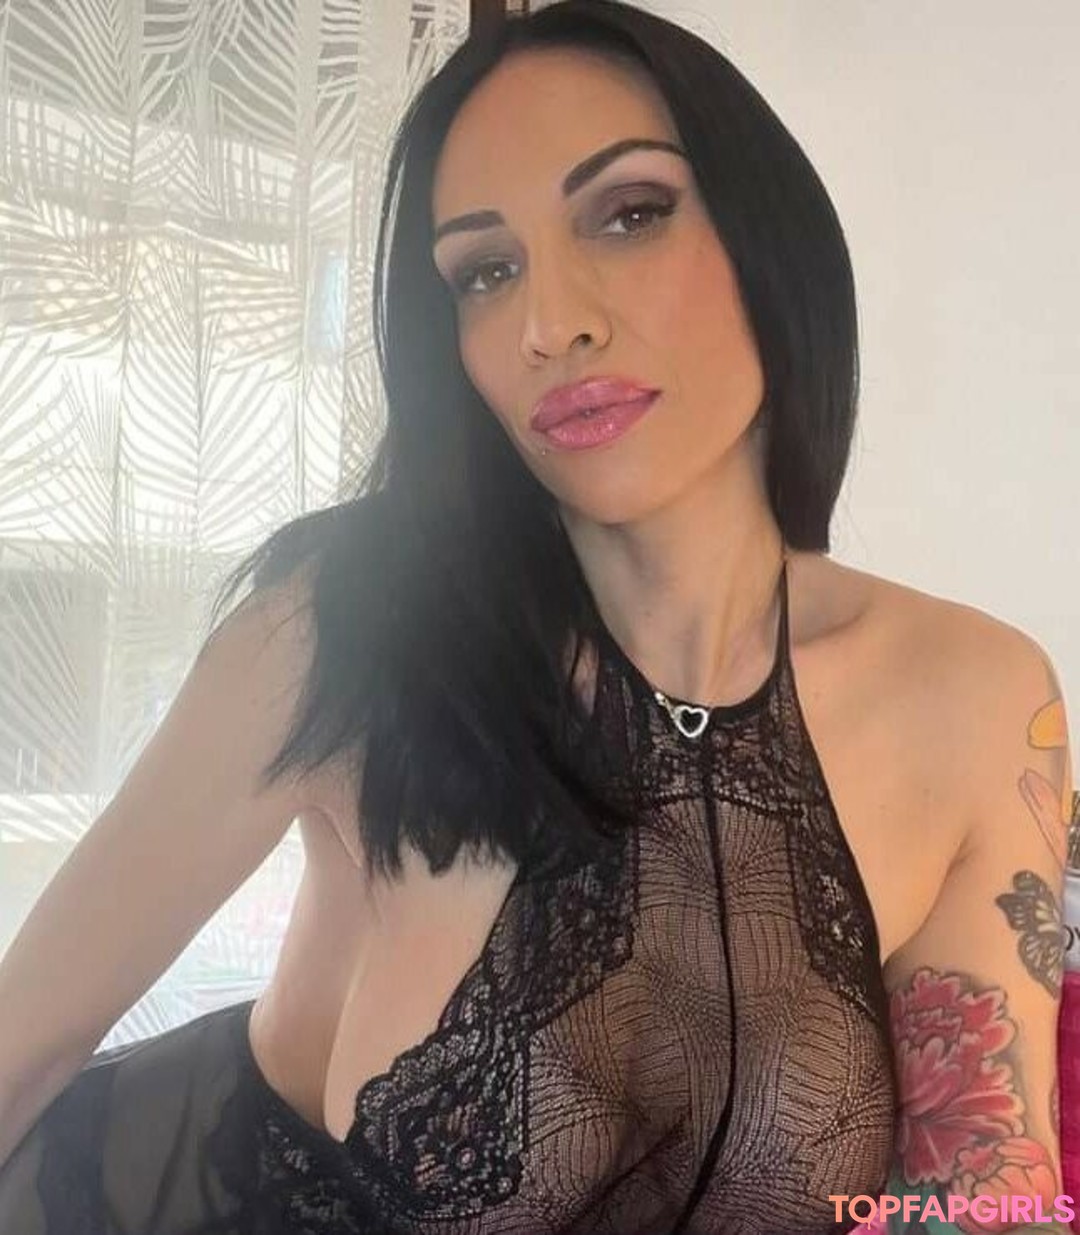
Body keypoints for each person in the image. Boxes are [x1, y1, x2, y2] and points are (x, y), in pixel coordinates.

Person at [0, 1, 1073, 1232]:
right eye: (484, 271)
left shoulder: (978, 695)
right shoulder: (346, 626)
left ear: (768, 236)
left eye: (630, 213)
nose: (548, 323)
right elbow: (22, 1042)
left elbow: (985, 1177)